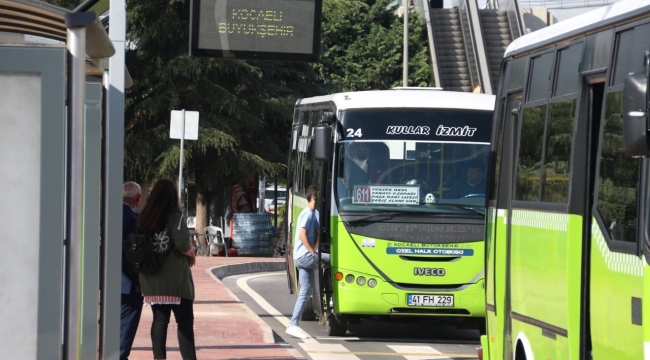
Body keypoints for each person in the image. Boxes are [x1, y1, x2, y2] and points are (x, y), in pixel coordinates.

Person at [137, 179, 197, 360]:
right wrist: (192, 252)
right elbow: (182, 244)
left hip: (152, 278)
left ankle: (159, 358)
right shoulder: (176, 216)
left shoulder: (144, 217)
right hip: (175, 280)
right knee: (184, 322)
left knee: (160, 320)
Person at [286, 185, 329, 339]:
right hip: (305, 257)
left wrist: (317, 252)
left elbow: (317, 236)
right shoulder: (308, 214)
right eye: (321, 197)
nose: (324, 200)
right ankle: (329, 305)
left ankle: (293, 325)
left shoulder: (314, 213)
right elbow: (302, 235)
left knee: (305, 291)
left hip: (302, 257)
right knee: (336, 261)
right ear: (314, 197)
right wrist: (314, 254)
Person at [121, 182, 143, 360]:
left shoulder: (109, 214)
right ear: (137, 198)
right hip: (129, 284)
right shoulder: (132, 218)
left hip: (110, 281)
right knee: (126, 326)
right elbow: (133, 253)